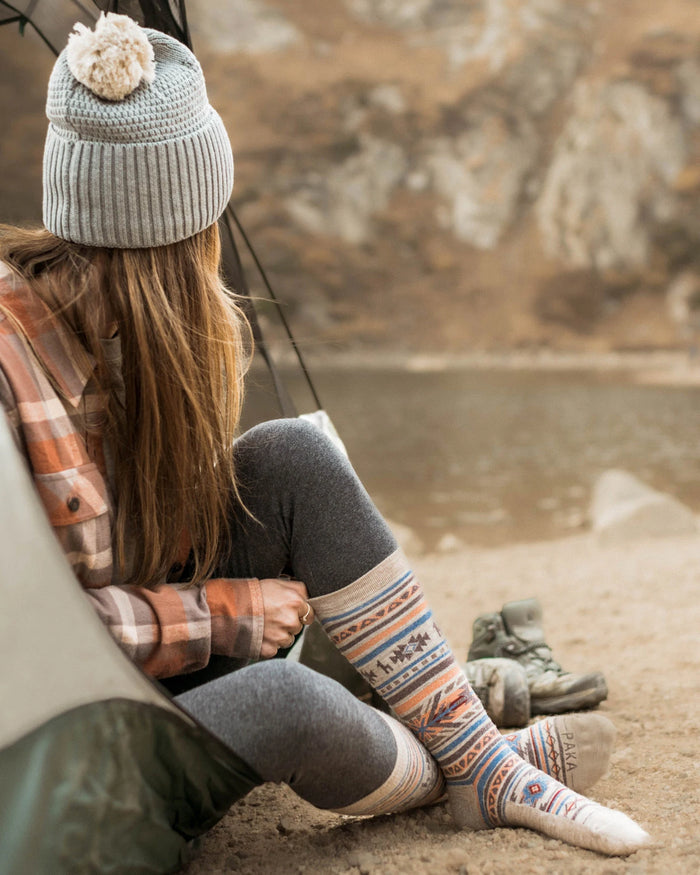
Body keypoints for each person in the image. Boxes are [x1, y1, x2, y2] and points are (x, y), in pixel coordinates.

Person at [0, 12, 649, 858]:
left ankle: (479, 762)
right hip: (52, 759)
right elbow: (27, 646)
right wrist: (220, 613)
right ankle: (476, 769)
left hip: (126, 679)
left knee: (291, 458)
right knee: (285, 701)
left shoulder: (102, 329)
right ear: (169, 247)